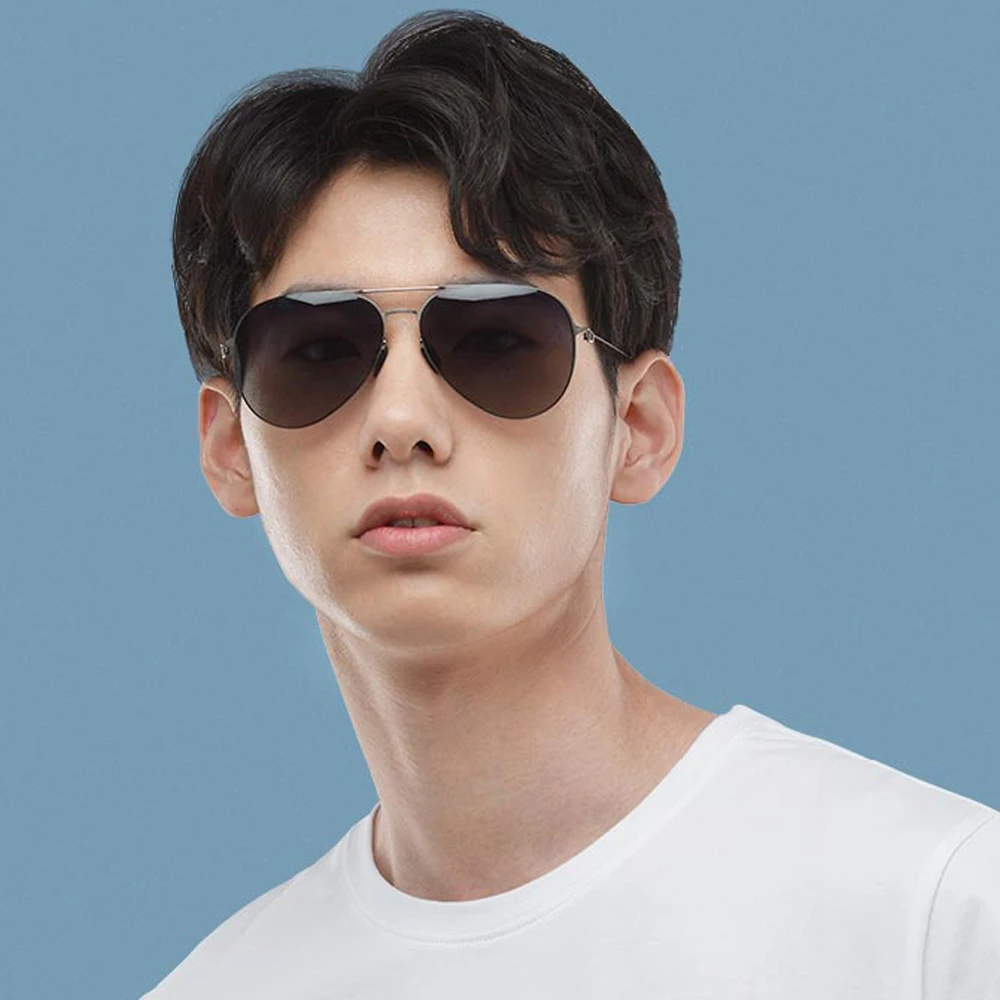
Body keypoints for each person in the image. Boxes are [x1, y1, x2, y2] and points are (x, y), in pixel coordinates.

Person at [142, 9, 999, 998]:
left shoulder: (937, 915)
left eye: (496, 342)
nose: (402, 420)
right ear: (230, 448)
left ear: (638, 426)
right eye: (320, 351)